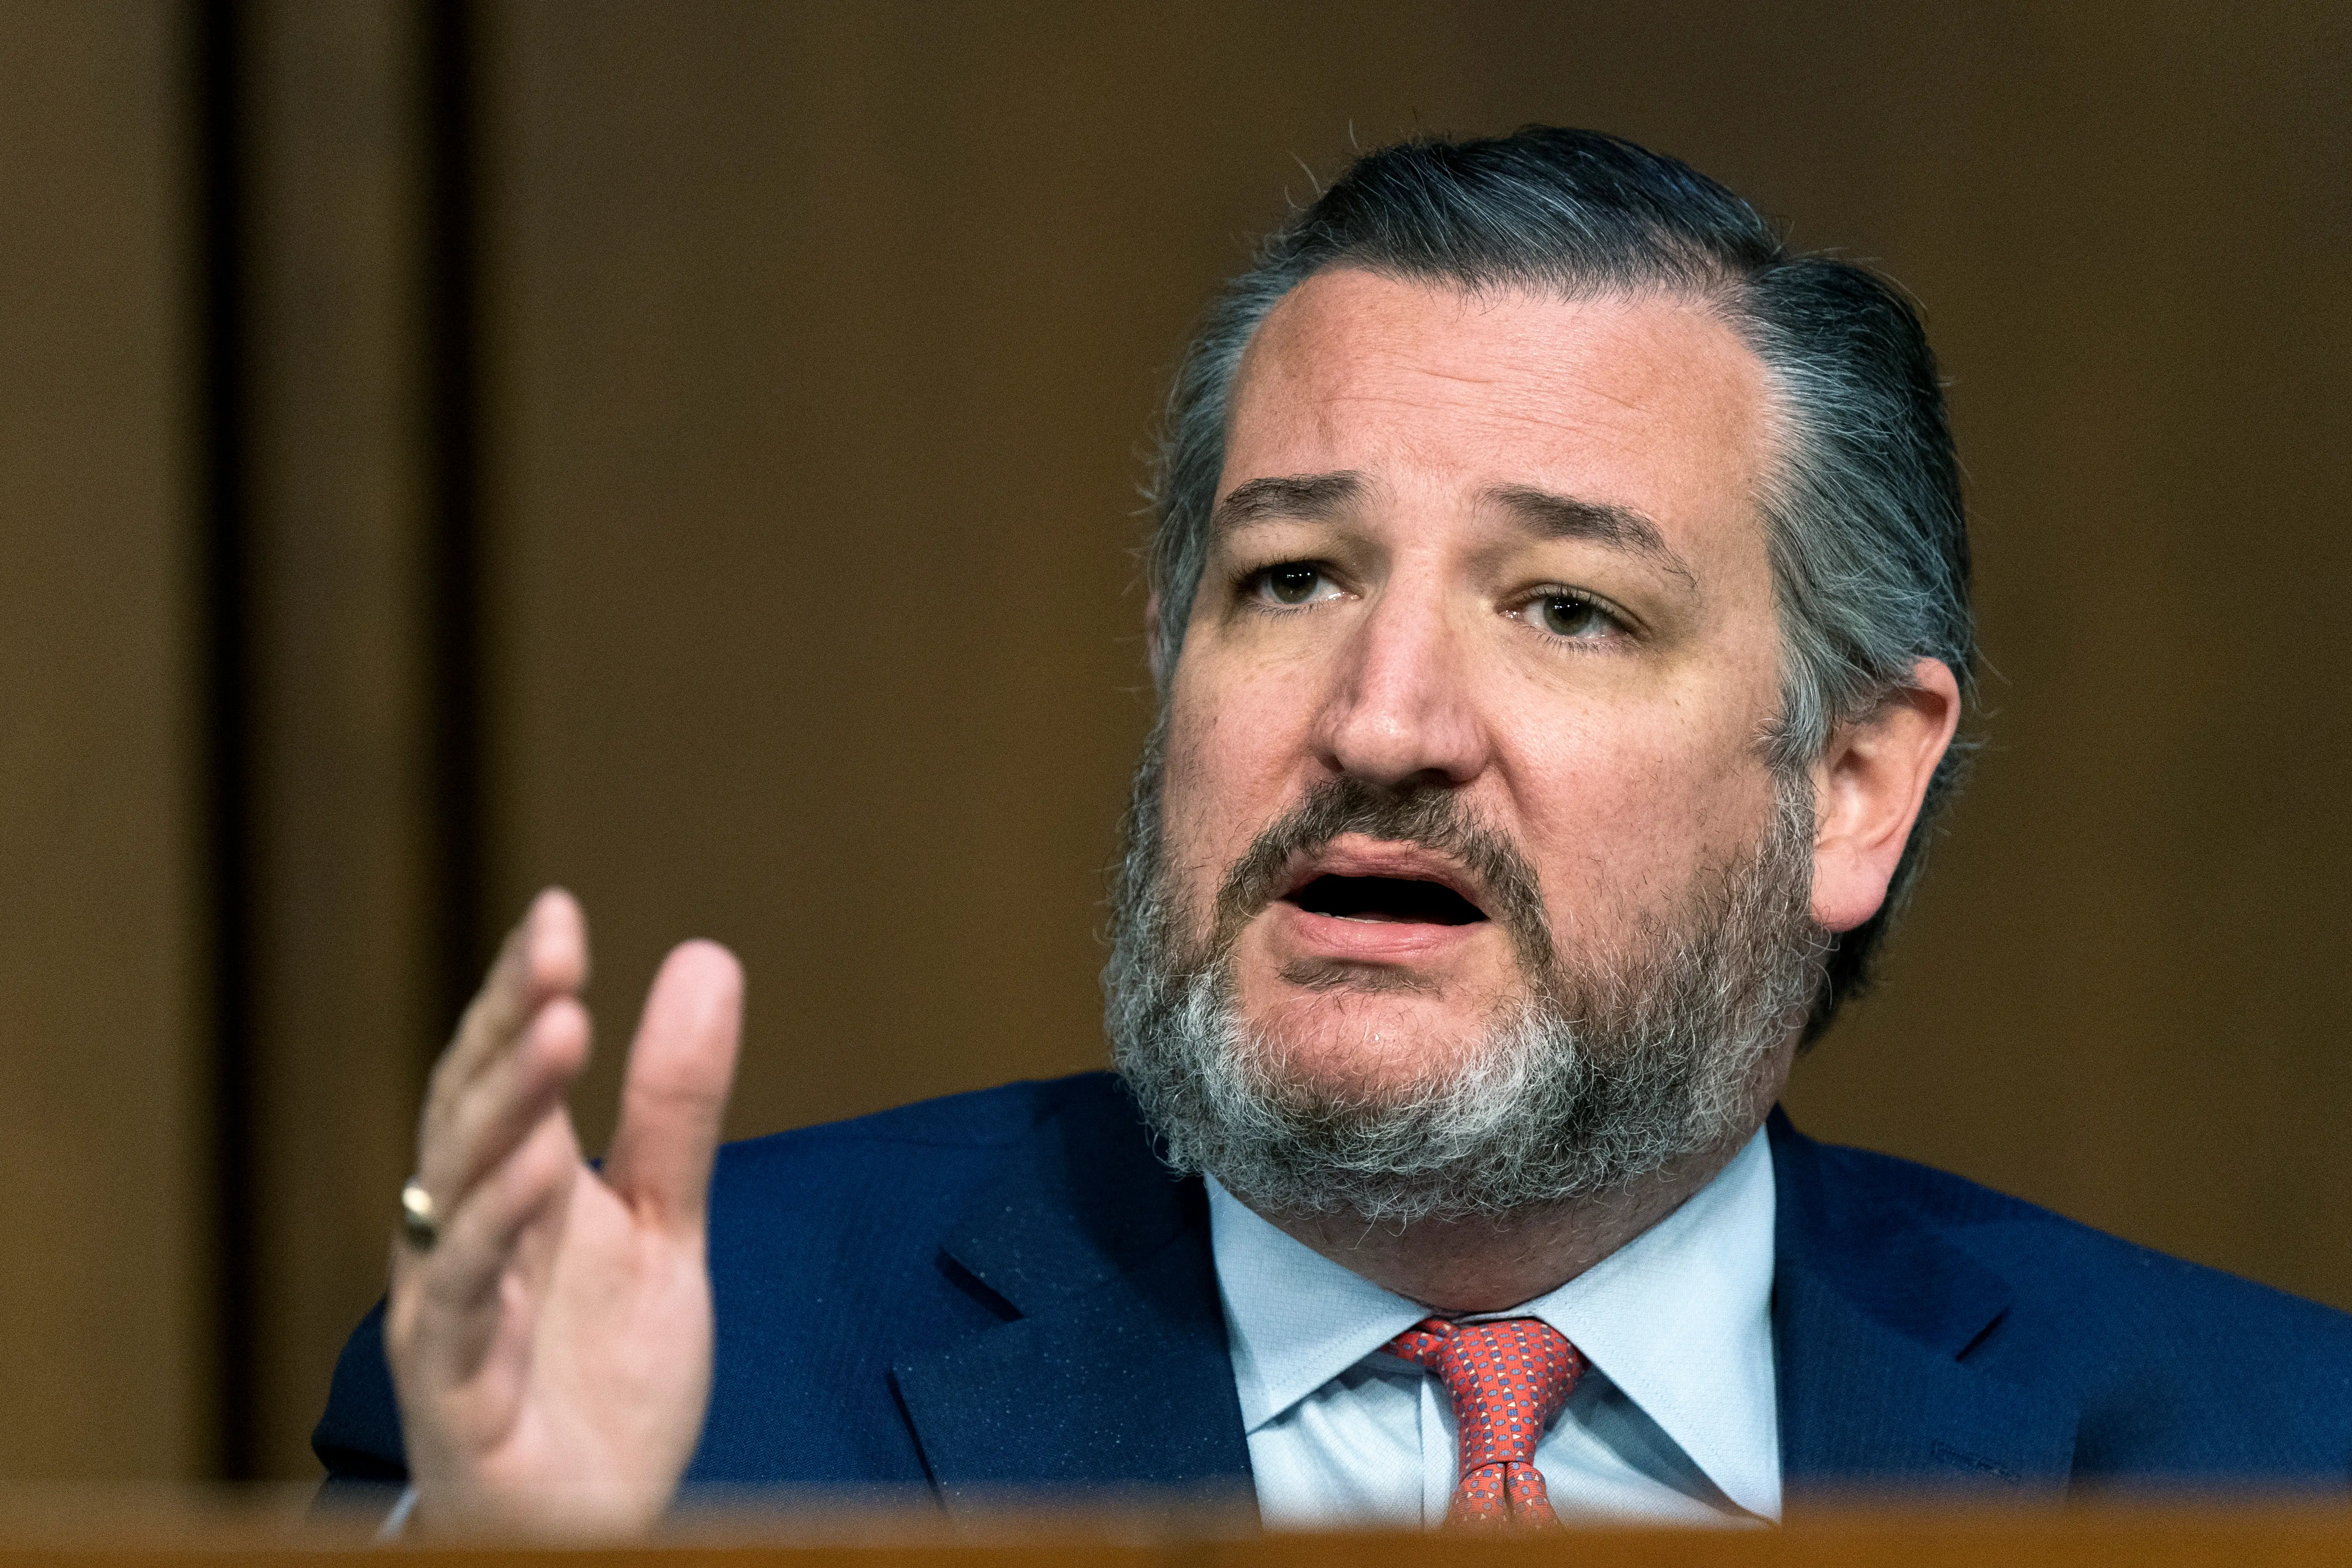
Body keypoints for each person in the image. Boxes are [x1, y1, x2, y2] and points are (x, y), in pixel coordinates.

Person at [315, 127, 2352, 1534]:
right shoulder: (667, 1406)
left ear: (1853, 783)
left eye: (1567, 606)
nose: (1382, 722)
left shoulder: (2273, 1458)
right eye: (1290, 578)